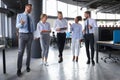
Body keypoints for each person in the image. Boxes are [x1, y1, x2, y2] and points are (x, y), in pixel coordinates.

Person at [16, 4, 35, 76]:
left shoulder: (31, 17)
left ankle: (28, 66)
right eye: (30, 8)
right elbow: (17, 26)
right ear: (26, 7)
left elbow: (32, 26)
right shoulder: (19, 15)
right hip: (22, 35)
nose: (31, 10)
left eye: (31, 9)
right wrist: (21, 23)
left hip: (30, 35)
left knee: (29, 52)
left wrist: (33, 34)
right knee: (20, 52)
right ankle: (19, 69)